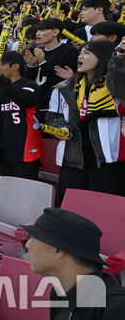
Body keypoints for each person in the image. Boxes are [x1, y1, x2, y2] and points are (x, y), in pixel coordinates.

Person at [23, 208, 125, 320]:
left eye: (34, 238)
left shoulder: (116, 309)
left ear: (58, 250)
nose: (27, 245)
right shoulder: (59, 292)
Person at [46, 40, 124, 203]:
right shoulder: (64, 87)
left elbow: (120, 82)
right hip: (72, 158)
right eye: (80, 52)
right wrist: (60, 127)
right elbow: (54, 116)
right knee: (71, 206)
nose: (80, 56)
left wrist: (118, 59)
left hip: (106, 159)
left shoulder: (114, 87)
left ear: (103, 57)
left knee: (103, 208)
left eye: (87, 53)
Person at [0, 51, 42, 185]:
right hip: (2, 152)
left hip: (24, 150)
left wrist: (1, 80)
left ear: (15, 66)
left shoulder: (29, 85)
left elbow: (25, 100)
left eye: (2, 65)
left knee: (25, 192)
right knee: (6, 193)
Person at [24, 19, 79, 118]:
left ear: (55, 32)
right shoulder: (37, 51)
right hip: (36, 106)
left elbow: (58, 81)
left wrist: (43, 62)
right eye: (38, 30)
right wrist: (31, 66)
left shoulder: (69, 51)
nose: (38, 33)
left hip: (57, 108)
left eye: (42, 30)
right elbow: (30, 81)